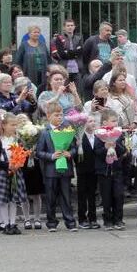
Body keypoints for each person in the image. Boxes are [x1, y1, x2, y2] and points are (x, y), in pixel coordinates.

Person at [35, 101, 78, 232]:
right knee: (51, 197)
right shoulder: (44, 132)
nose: (59, 118)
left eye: (61, 115)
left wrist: (69, 153)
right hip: (50, 170)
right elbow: (39, 152)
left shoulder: (68, 129)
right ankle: (51, 223)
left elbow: (74, 148)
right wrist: (51, 156)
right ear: (48, 116)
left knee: (66, 196)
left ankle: (70, 222)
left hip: (65, 169)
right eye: (56, 115)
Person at [51, 19, 84, 84]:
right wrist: (74, 52)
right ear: (64, 28)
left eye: (72, 25)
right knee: (64, 89)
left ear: (74, 27)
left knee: (77, 91)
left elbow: (80, 52)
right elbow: (62, 54)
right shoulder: (59, 38)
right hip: (64, 69)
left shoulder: (79, 38)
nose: (70, 27)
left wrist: (68, 52)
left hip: (77, 69)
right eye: (68, 26)